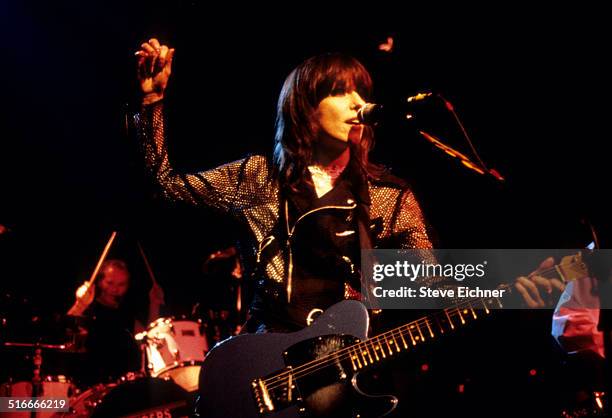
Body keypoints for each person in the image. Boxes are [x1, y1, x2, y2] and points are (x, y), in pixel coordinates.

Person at [134, 38, 436, 334]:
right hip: (270, 364)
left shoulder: (386, 194)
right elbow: (166, 187)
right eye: (341, 92)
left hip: (349, 365)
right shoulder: (259, 178)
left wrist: (479, 283)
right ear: (305, 107)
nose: (359, 102)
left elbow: (429, 284)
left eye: (361, 91)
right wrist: (152, 101)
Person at [67, 258, 165, 384]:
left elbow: (150, 340)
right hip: (90, 383)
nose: (115, 289)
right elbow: (64, 332)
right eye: (110, 283)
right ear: (100, 281)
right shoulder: (89, 307)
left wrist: (154, 304)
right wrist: (80, 304)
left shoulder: (126, 313)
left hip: (123, 384)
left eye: (121, 284)